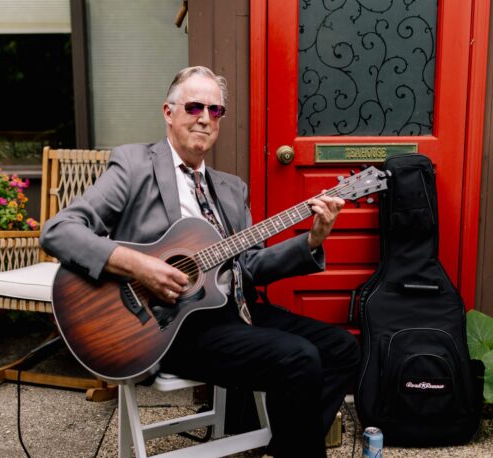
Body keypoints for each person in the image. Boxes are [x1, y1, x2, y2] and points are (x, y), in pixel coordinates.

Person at [40, 66, 360, 457]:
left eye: (215, 110)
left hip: (233, 312)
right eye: (194, 107)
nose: (205, 118)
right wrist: (140, 267)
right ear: (168, 112)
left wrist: (313, 239)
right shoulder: (134, 165)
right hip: (168, 325)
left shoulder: (229, 188)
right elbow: (59, 231)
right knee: (298, 357)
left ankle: (288, 445)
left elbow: (251, 266)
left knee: (342, 349)